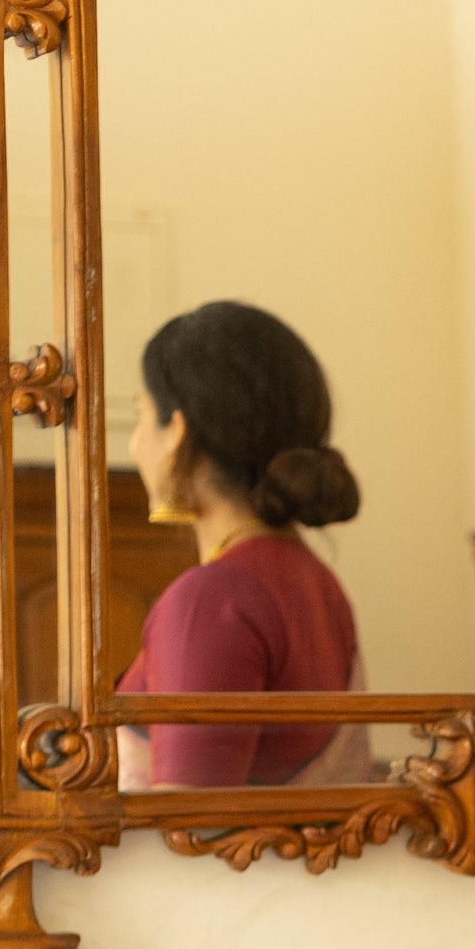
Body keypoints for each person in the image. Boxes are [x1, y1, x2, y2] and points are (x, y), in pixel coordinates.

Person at [119, 300, 369, 790]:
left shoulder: (214, 600)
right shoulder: (318, 581)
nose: (134, 443)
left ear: (177, 433)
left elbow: (185, 839)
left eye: (142, 415)